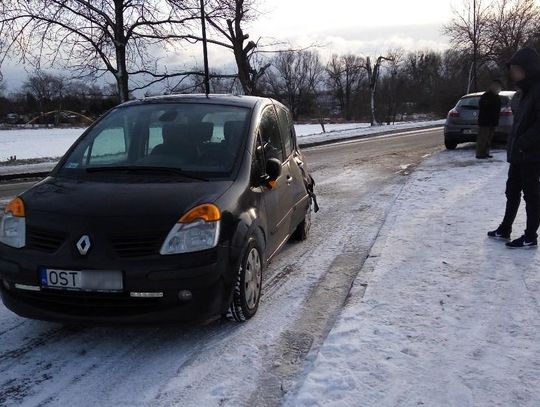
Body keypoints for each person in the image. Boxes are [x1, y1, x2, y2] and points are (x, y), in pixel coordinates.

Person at [488, 47, 540, 248]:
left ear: (528, 69)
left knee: (532, 194)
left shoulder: (537, 91)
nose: (514, 72)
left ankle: (530, 235)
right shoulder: (523, 92)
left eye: (517, 68)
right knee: (512, 191)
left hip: (532, 154)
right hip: (519, 153)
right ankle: (505, 228)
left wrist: (523, 142)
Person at [476, 79, 503, 159]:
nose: (497, 88)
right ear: (492, 86)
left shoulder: (497, 97)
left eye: (498, 87)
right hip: (485, 121)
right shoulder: (486, 96)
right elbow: (483, 106)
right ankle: (480, 153)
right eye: (495, 86)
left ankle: (486, 152)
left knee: (489, 138)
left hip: (493, 121)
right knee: (483, 138)